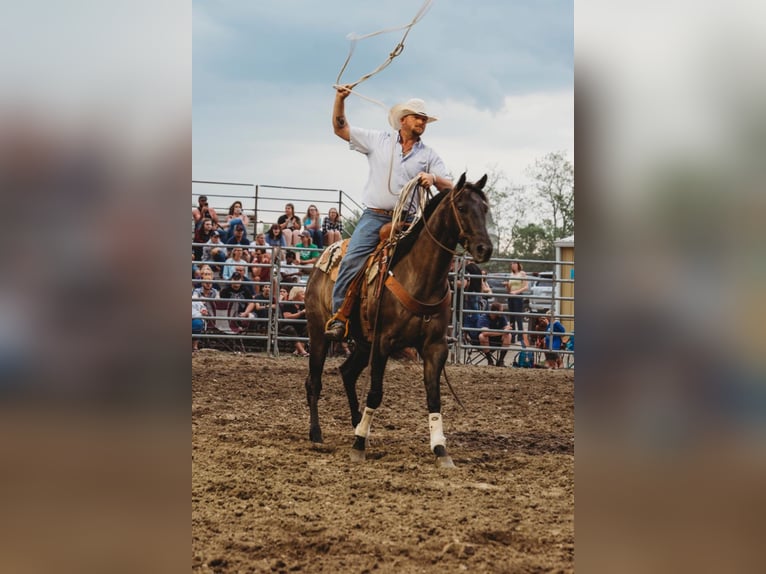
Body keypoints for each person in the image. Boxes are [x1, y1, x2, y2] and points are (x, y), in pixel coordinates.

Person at [325, 85, 452, 340]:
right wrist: (340, 100)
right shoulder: (378, 140)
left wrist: (433, 177)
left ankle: (434, 325)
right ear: (403, 120)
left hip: (409, 220)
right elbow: (341, 128)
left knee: (431, 265)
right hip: (375, 216)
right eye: (418, 117)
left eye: (424, 119)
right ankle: (340, 315)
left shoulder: (428, 155)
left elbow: (452, 185)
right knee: (353, 259)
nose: (422, 122)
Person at [477, 302, 512, 367]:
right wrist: (502, 332)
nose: (502, 312)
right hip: (487, 341)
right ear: (495, 311)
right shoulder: (484, 317)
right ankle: (490, 360)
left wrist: (507, 329)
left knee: (508, 335)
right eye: (501, 311)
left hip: (498, 339)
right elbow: (485, 332)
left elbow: (507, 327)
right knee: (482, 336)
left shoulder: (501, 317)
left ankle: (501, 360)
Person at [277, 286, 309, 356]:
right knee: (291, 329)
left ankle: (298, 351)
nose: (304, 296)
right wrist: (301, 313)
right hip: (288, 325)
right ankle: (303, 351)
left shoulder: (303, 305)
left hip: (300, 325)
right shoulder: (288, 304)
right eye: (302, 294)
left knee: (309, 327)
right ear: (296, 295)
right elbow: (287, 317)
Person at [505, 261, 528, 344]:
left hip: (518, 296)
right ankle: (512, 336)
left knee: (518, 317)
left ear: (518, 265)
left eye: (515, 264)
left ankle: (520, 337)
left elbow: (526, 287)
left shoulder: (522, 273)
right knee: (511, 317)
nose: (513, 265)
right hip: (510, 296)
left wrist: (517, 292)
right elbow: (509, 288)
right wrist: (507, 285)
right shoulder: (510, 274)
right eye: (512, 264)